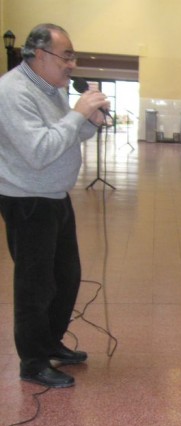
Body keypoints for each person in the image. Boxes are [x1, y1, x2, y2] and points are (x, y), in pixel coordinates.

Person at [0, 23, 111, 388]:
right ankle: (33, 362)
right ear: (40, 55)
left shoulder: (51, 89)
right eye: (66, 56)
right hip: (28, 200)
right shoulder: (13, 92)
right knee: (35, 285)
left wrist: (90, 120)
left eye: (72, 57)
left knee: (66, 277)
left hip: (55, 197)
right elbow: (39, 151)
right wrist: (77, 114)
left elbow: (66, 135)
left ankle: (49, 342)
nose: (71, 64)